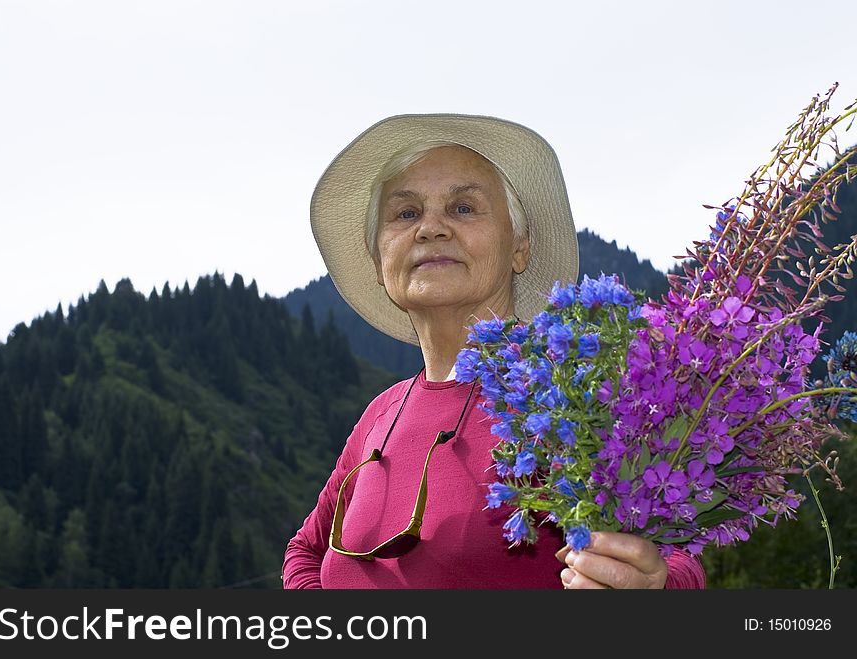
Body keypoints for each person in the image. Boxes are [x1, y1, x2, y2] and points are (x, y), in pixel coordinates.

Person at [282, 113, 706, 589]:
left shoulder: (570, 392)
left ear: (519, 248)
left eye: (463, 207)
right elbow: (306, 551)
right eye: (405, 213)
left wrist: (652, 585)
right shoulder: (382, 411)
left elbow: (672, 557)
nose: (431, 228)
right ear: (379, 264)